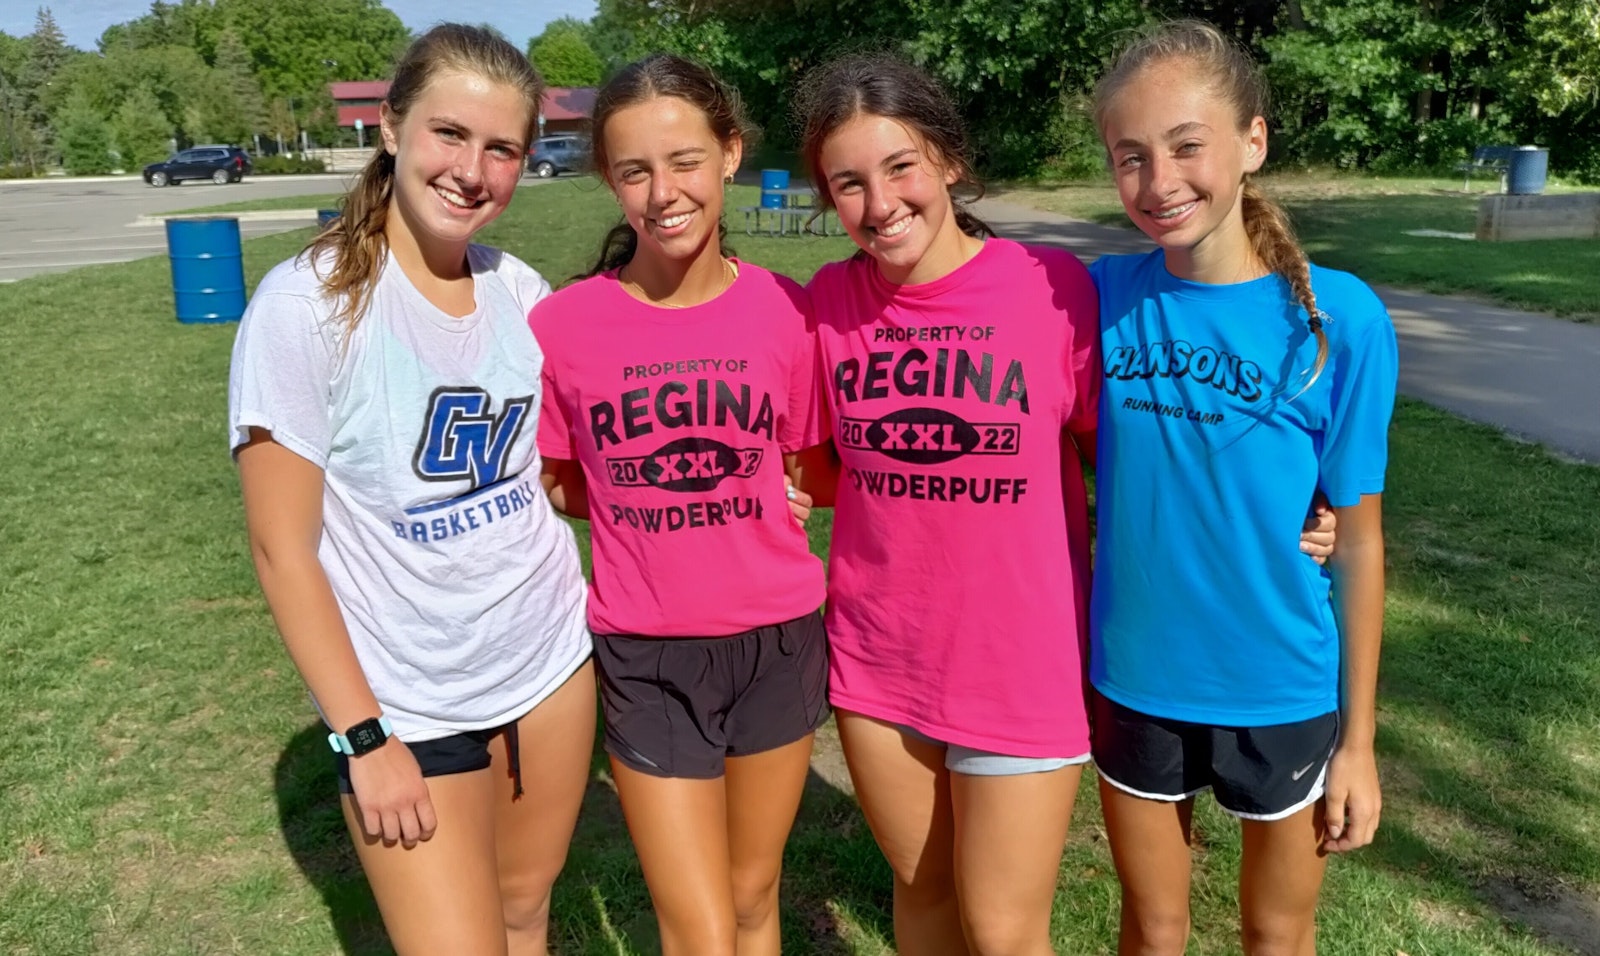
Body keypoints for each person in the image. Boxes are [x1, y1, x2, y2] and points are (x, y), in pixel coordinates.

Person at [227, 25, 594, 956]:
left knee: (524, 914)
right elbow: (282, 550)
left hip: (549, 663)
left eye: (502, 148)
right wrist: (362, 738)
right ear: (391, 129)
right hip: (410, 701)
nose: (473, 170)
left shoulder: (520, 291)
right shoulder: (307, 307)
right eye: (449, 134)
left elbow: (565, 469)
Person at [1087, 20, 1397, 956]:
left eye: (1187, 146)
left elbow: (1360, 538)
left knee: (1275, 929)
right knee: (1154, 924)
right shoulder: (1097, 296)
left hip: (1281, 683)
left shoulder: (1336, 316)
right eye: (1130, 157)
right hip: (1136, 674)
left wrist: (1358, 743)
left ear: (1252, 142)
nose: (1160, 181)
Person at [530, 54, 829, 956]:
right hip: (648, 652)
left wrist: (781, 494)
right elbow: (559, 478)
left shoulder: (789, 310)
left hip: (779, 638)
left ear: (730, 154)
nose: (664, 192)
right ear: (610, 181)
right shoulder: (566, 325)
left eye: (686, 160)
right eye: (635, 170)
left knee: (749, 895)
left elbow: (811, 468)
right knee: (698, 927)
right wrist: (644, 500)